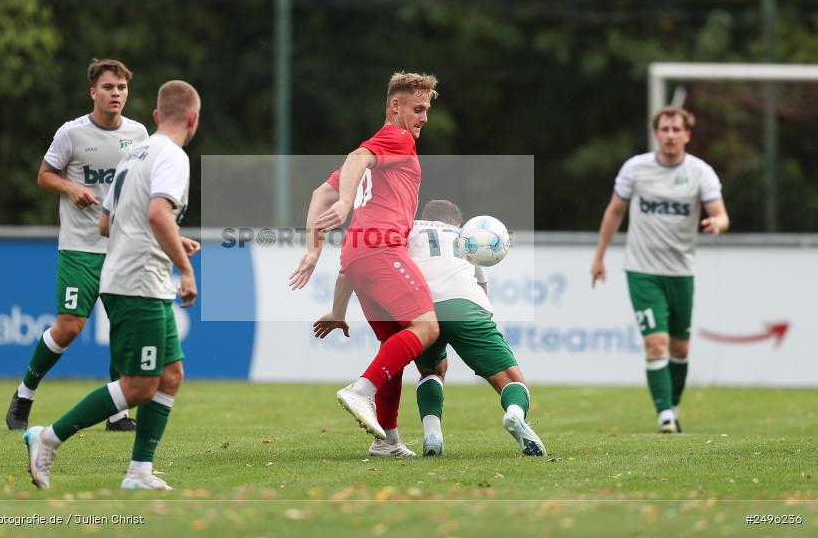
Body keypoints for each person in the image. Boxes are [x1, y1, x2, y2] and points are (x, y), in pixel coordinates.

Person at [23, 80, 201, 490]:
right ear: (193, 119)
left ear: (156, 116)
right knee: (139, 384)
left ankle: (139, 472)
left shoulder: (134, 152)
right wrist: (185, 269)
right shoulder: (173, 156)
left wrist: (172, 236)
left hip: (132, 276)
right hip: (139, 280)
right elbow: (158, 214)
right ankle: (47, 437)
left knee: (170, 374)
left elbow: (107, 223)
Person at [314, 199, 547, 458]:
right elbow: (481, 287)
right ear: (457, 223)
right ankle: (514, 414)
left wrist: (338, 312)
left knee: (432, 370)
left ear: (423, 216)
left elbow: (359, 268)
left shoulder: (405, 229)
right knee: (509, 379)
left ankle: (433, 435)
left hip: (420, 307)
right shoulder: (466, 237)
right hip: (465, 306)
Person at [7, 59, 148, 432]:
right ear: (93, 92)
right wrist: (71, 187)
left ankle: (118, 413)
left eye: (121, 88)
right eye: (108, 88)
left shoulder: (137, 135)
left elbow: (141, 187)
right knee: (69, 327)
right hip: (79, 248)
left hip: (121, 249)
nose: (116, 94)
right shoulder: (71, 134)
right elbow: (44, 175)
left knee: (125, 327)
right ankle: (25, 393)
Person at [304, 72, 441, 446]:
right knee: (427, 329)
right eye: (419, 108)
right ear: (395, 106)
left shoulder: (374, 162)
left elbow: (320, 193)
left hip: (358, 254)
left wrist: (314, 249)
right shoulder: (395, 138)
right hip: (381, 249)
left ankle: (388, 441)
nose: (424, 117)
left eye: (427, 109)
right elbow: (356, 156)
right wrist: (346, 203)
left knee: (394, 346)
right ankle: (360, 390)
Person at [591, 106, 729, 433]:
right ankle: (665, 416)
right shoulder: (635, 169)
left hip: (681, 271)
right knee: (656, 343)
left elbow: (721, 214)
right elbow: (614, 212)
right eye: (664, 129)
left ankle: (673, 406)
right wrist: (599, 257)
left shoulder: (701, 172)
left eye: (676, 129)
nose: (670, 135)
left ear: (686, 135)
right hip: (642, 271)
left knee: (681, 347)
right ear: (657, 133)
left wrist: (716, 224)